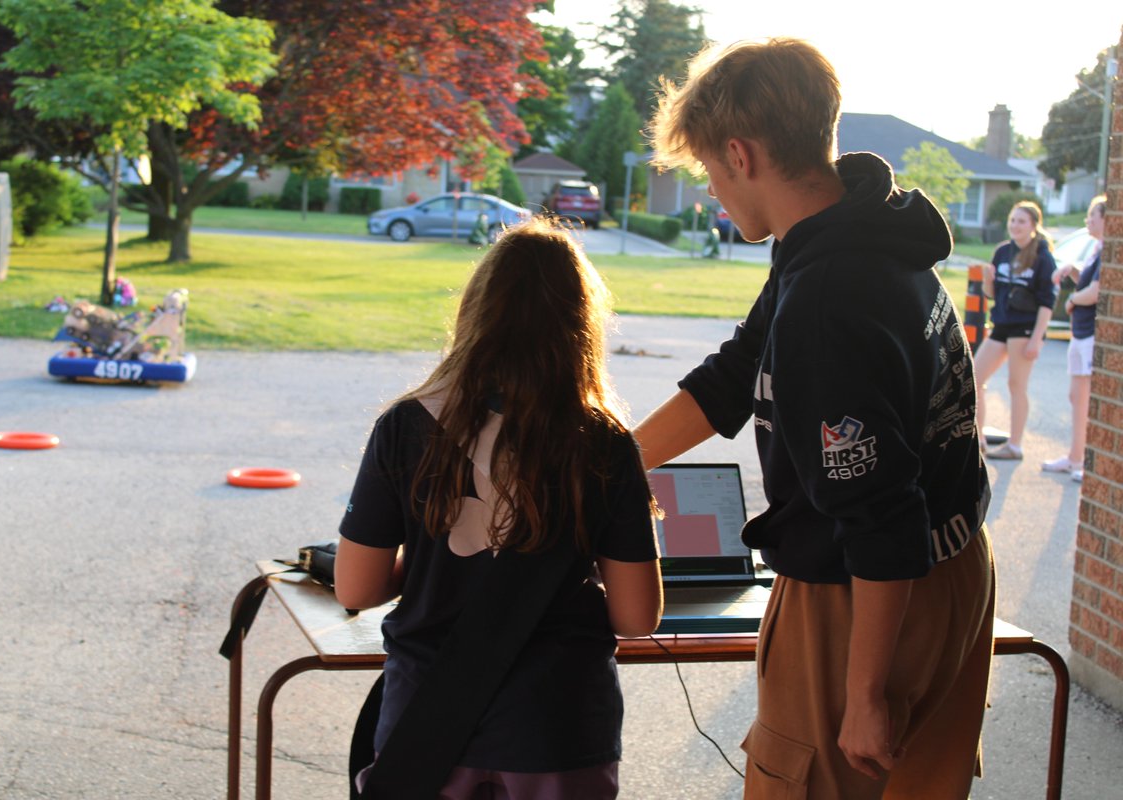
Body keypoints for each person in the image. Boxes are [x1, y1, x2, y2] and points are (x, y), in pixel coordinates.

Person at [638, 38, 995, 799]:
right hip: (956, 560)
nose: (711, 189)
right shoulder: (861, 227)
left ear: (740, 153)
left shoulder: (829, 300)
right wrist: (612, 458)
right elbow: (739, 371)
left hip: (866, 596)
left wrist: (863, 695)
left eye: (707, 169)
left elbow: (880, 517)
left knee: (807, 776)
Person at [334, 217, 662, 799]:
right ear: (579, 326)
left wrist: (438, 562)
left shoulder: (405, 426)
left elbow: (356, 589)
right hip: (557, 726)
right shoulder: (604, 442)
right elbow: (637, 619)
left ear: (475, 313)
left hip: (428, 722)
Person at [974, 201, 1058, 459]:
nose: (1015, 225)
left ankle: (1015, 445)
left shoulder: (1042, 257)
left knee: (1016, 385)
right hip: (1001, 324)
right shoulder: (1002, 252)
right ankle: (978, 440)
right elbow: (991, 294)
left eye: (1021, 221)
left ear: (1033, 225)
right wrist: (988, 280)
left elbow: (1047, 302)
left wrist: (1036, 339)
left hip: (1025, 328)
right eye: (1012, 220)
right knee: (974, 378)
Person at [1042, 195, 1106, 482]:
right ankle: (1074, 457)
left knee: (1086, 398)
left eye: (1093, 215)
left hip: (1091, 333)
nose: (1087, 220)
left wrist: (1071, 302)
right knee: (1076, 396)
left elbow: (1095, 293)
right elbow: (1090, 284)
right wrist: (1075, 271)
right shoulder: (1097, 249)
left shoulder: (1111, 252)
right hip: (1080, 332)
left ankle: (1086, 461)